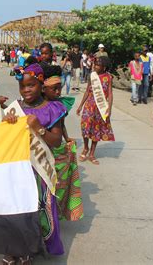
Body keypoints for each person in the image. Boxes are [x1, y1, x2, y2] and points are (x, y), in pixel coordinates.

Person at [3, 63, 67, 263]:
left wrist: (38, 127)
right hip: (19, 167)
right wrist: (8, 122)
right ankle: (14, 249)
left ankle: (29, 250)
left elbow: (56, 141)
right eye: (22, 87)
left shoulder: (53, 109)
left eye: (31, 85)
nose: (26, 90)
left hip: (39, 169)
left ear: (41, 84)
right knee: (16, 209)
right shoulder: (17, 108)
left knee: (35, 209)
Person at [41, 64, 83, 222]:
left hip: (55, 149)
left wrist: (67, 138)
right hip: (41, 150)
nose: (59, 92)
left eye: (60, 88)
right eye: (55, 89)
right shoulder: (37, 105)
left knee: (58, 185)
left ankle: (54, 216)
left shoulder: (59, 105)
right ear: (44, 88)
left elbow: (61, 124)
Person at [76, 56, 115, 164]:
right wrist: (80, 106)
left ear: (104, 67)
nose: (95, 66)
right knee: (85, 127)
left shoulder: (108, 77)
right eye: (95, 64)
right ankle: (85, 148)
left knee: (96, 130)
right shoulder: (91, 76)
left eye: (98, 65)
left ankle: (92, 153)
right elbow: (88, 91)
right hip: (89, 105)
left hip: (100, 108)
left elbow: (110, 94)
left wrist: (109, 109)